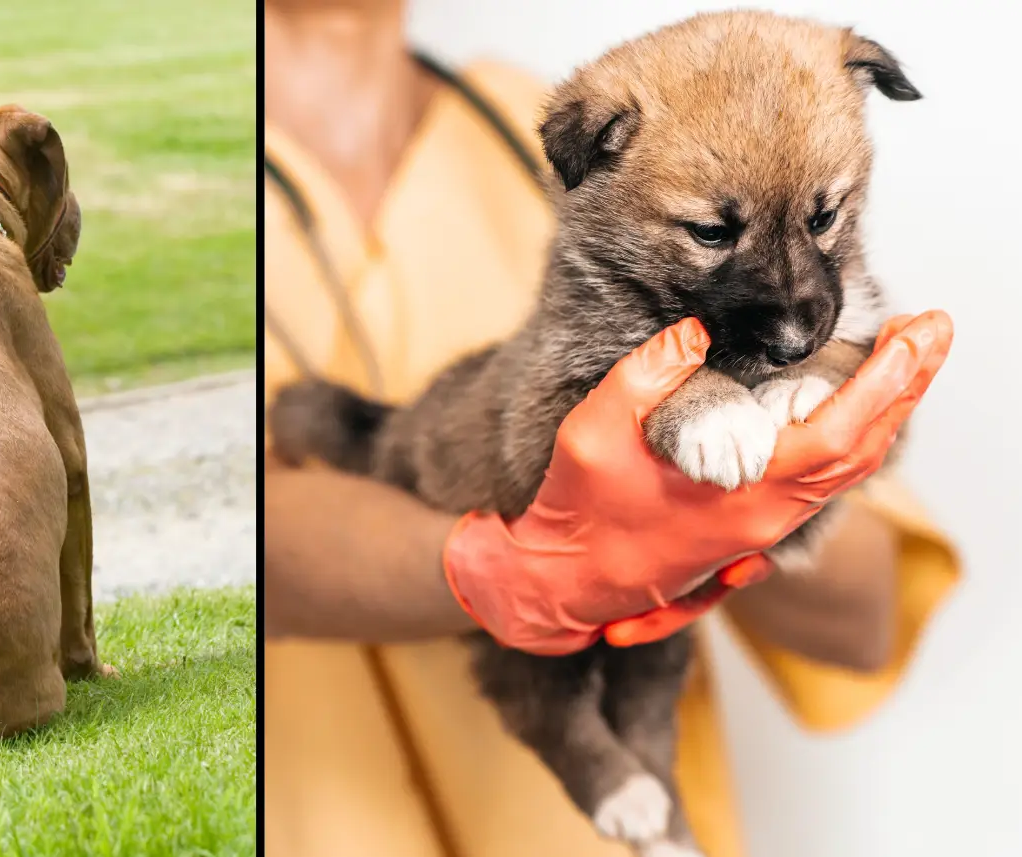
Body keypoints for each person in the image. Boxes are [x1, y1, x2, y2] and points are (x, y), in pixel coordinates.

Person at [262, 3, 960, 856]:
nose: (790, 319)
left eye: (822, 220)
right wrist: (508, 572)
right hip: (324, 806)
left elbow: (863, 621)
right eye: (709, 232)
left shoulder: (507, 111)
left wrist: (784, 485)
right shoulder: (597, 130)